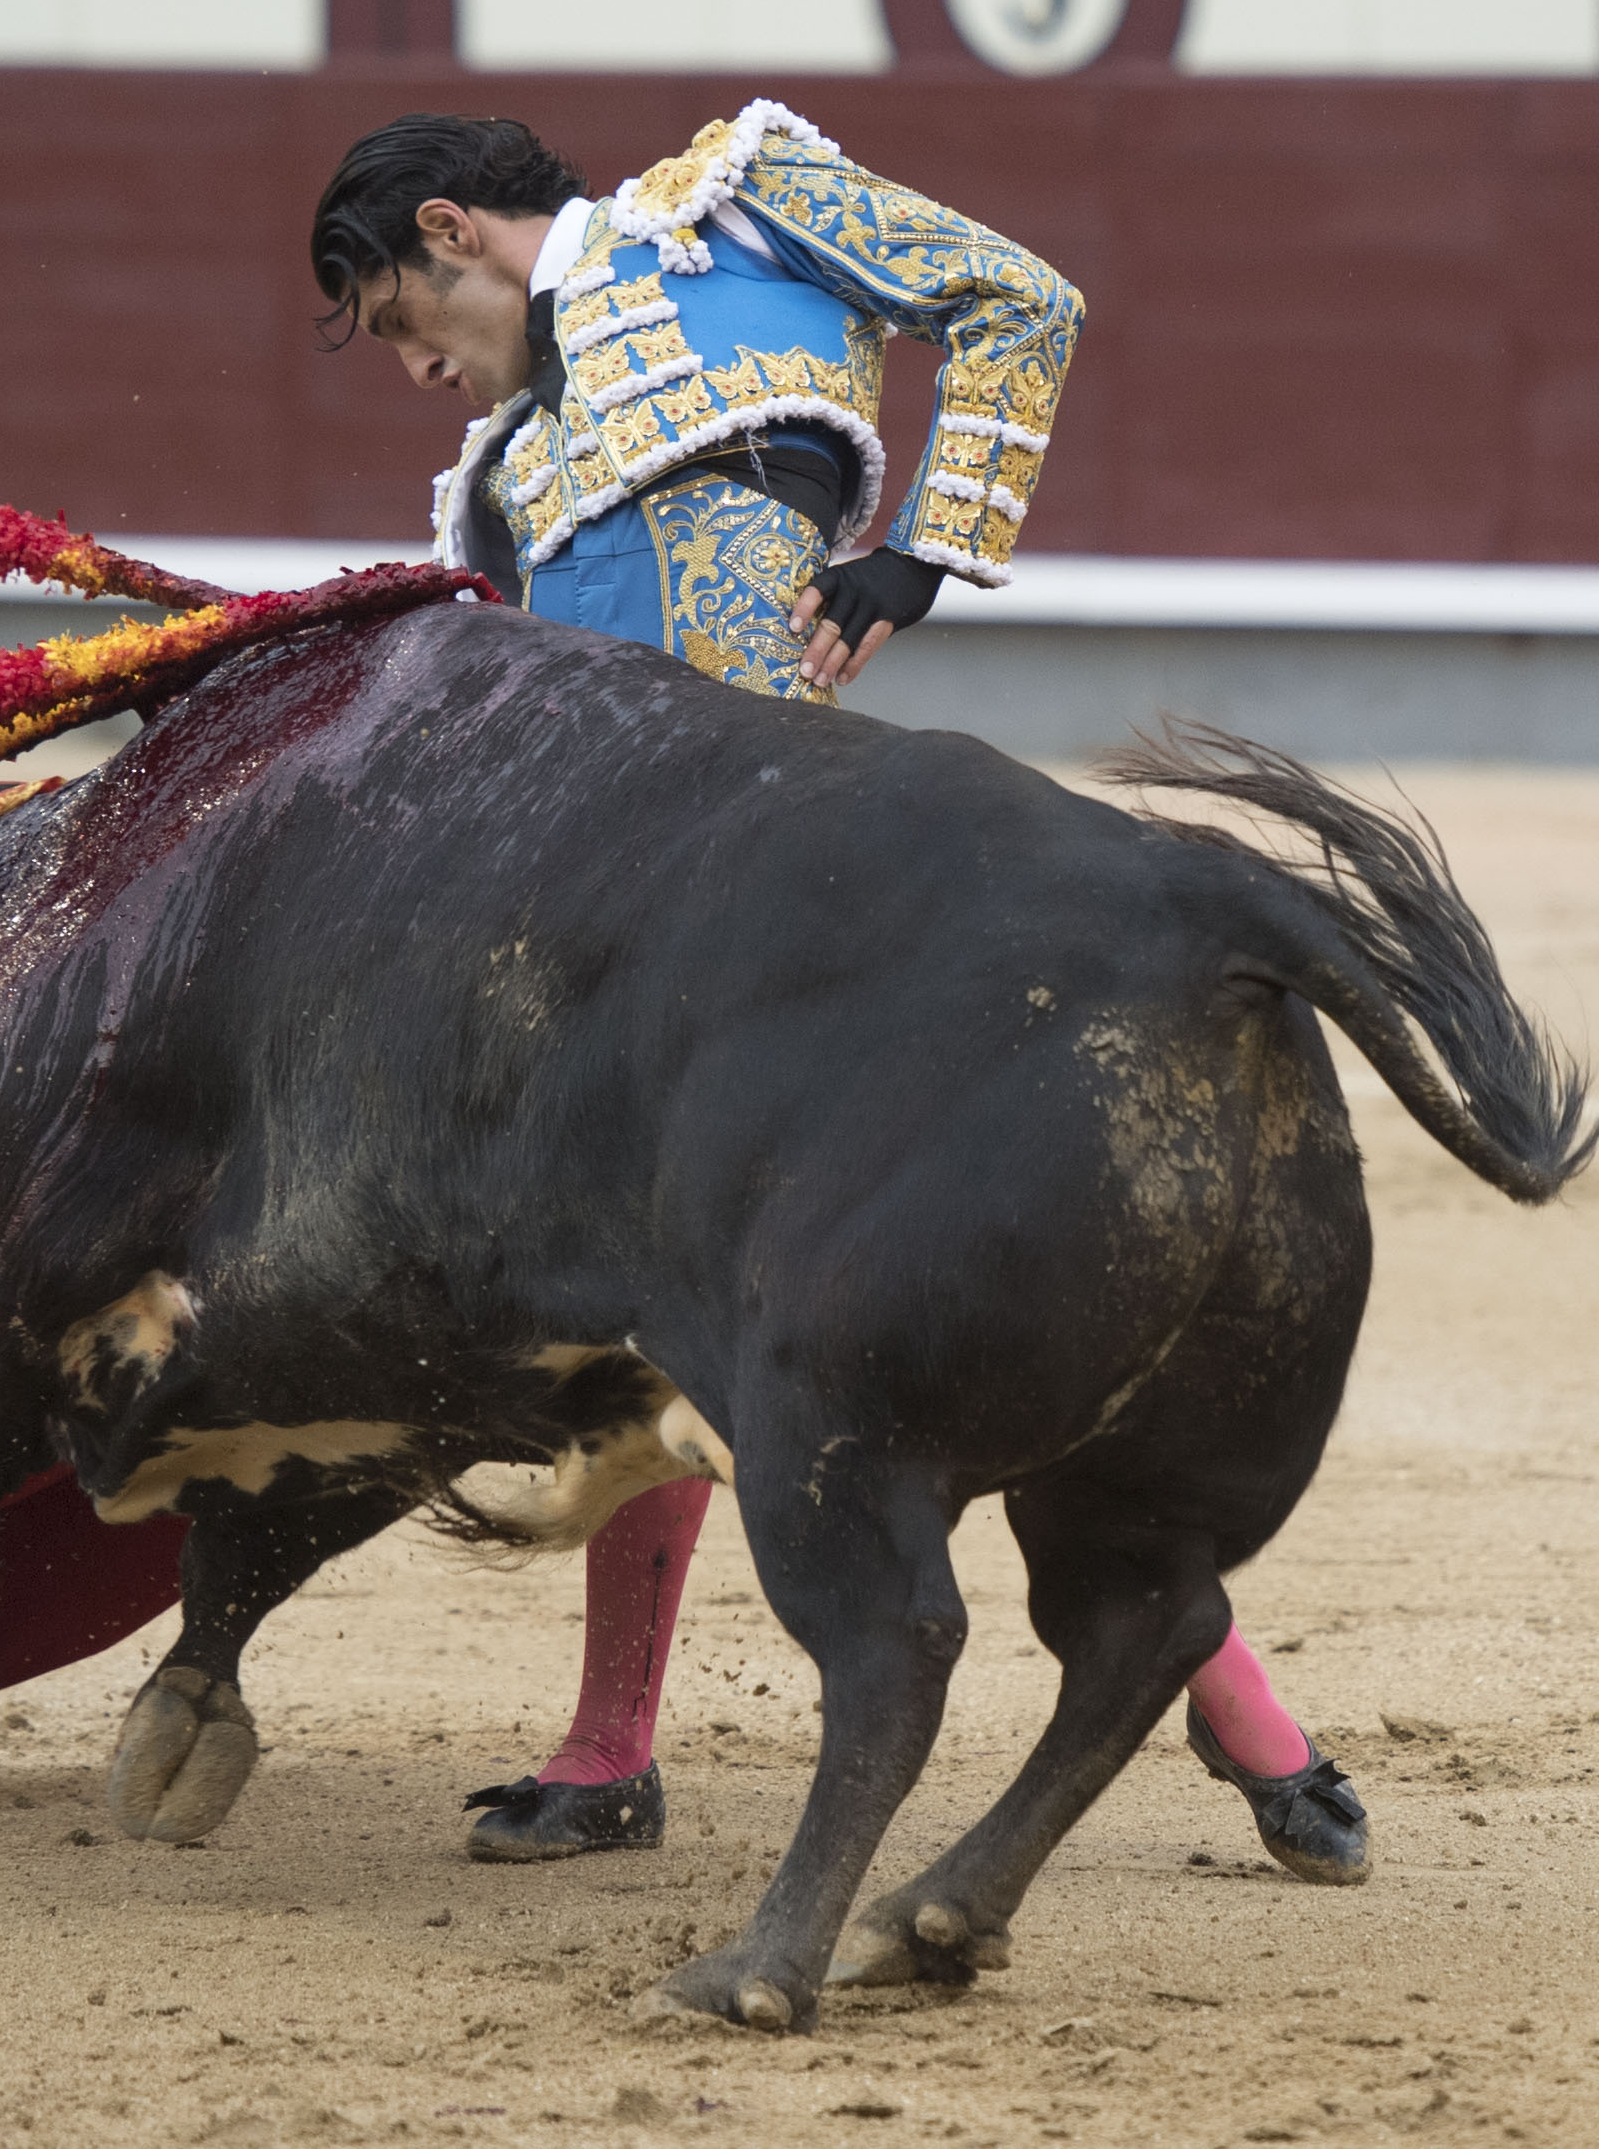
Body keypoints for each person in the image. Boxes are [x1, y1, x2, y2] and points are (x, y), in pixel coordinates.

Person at [307, 100, 1371, 1892]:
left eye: (401, 322)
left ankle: (1229, 1695)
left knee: (912, 1299)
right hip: (613, 946)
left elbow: (1021, 299)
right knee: (667, 1310)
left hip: (803, 882)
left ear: (449, 228)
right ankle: (611, 1746)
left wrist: (926, 547)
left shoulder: (734, 204)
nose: (419, 372)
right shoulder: (497, 484)